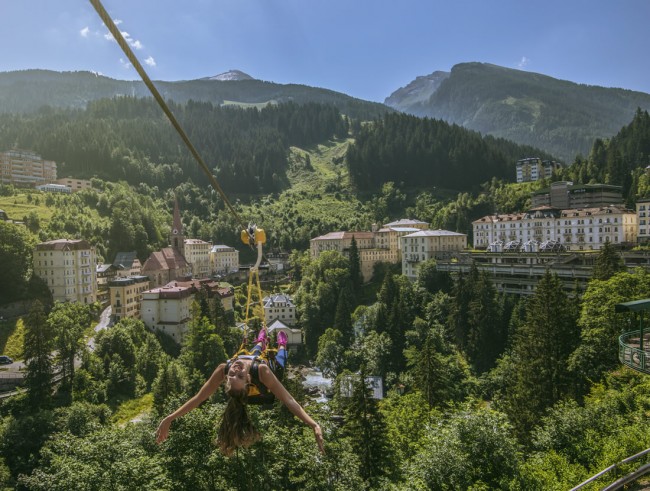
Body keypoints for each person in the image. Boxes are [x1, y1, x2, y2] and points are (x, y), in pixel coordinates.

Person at [156, 328, 324, 455]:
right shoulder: (262, 372)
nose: (236, 369)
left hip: (253, 359)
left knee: (253, 353)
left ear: (226, 376)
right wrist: (313, 423)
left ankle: (261, 341)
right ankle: (282, 345)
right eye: (240, 375)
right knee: (279, 362)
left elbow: (199, 398)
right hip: (267, 383)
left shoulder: (225, 368)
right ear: (248, 380)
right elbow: (289, 400)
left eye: (232, 374)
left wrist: (170, 418)